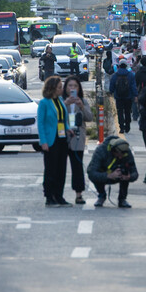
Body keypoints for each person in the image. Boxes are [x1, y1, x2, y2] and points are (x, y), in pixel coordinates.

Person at [37, 76, 70, 207]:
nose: (62, 89)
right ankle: (49, 196)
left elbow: (62, 119)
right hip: (51, 139)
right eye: (59, 87)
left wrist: (68, 129)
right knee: (51, 168)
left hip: (62, 138)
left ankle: (59, 195)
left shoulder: (60, 101)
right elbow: (40, 123)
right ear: (52, 88)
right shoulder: (44, 103)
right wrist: (43, 141)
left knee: (61, 168)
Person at [87, 136, 139, 208]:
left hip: (119, 176)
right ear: (113, 151)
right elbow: (92, 173)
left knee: (125, 170)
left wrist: (129, 177)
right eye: (119, 155)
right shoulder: (101, 151)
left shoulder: (127, 152)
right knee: (95, 174)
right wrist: (108, 175)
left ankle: (122, 199)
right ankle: (101, 195)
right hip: (104, 173)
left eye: (122, 156)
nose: (120, 157)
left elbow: (135, 173)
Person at [63, 75, 92, 205]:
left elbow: (89, 117)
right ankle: (58, 194)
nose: (72, 88)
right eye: (70, 86)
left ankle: (79, 194)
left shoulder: (83, 101)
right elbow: (55, 115)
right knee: (60, 166)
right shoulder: (61, 101)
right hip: (63, 135)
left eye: (75, 86)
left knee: (77, 165)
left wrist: (81, 106)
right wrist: (65, 104)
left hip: (78, 136)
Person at [109, 58, 138, 134]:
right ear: (126, 66)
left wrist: (111, 92)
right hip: (128, 97)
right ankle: (127, 126)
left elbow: (112, 85)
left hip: (118, 97)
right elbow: (133, 86)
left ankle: (121, 127)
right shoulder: (131, 75)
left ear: (119, 66)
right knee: (127, 111)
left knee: (120, 112)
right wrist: (135, 95)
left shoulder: (115, 75)